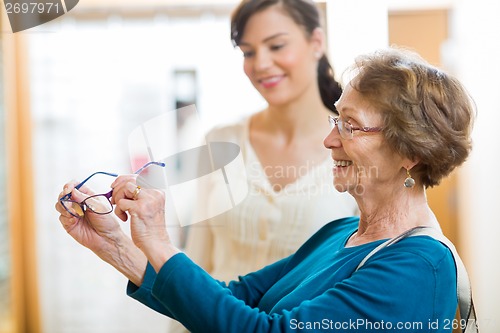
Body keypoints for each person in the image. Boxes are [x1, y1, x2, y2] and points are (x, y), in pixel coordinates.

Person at [56, 47, 476, 332]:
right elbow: (234, 301)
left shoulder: (420, 267)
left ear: (411, 153)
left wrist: (159, 241)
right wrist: (117, 246)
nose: (331, 141)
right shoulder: (338, 233)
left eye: (350, 125)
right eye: (336, 120)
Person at [183, 0, 358, 289]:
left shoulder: (357, 148)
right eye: (248, 52)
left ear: (316, 42)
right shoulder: (219, 142)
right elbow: (196, 263)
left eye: (276, 46)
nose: (261, 64)